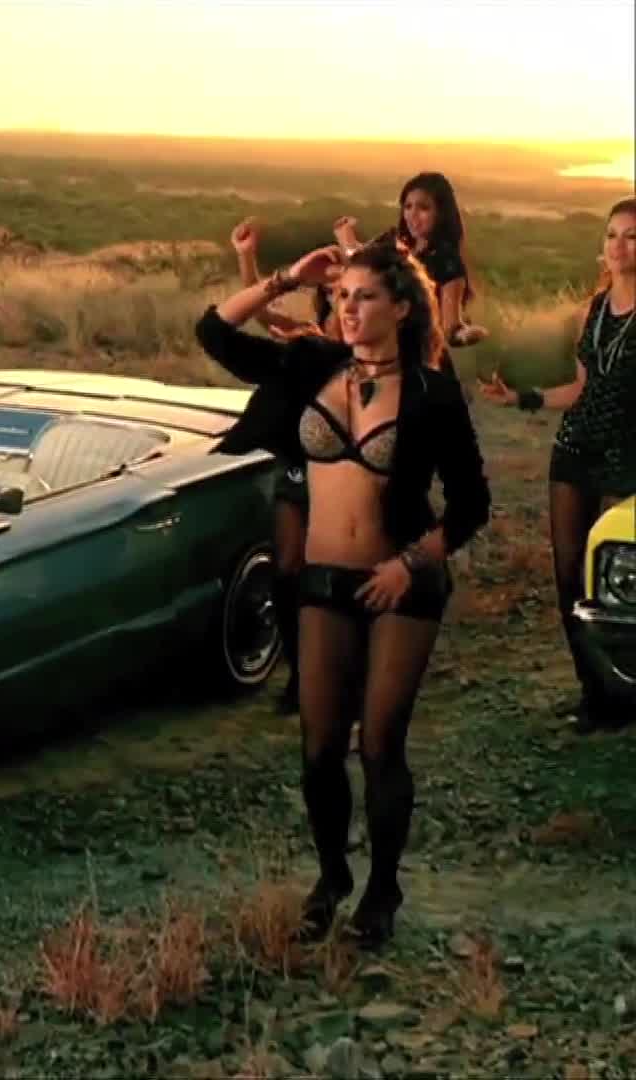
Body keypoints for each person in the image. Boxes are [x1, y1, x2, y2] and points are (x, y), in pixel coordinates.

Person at [199, 243, 491, 949]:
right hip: (322, 581)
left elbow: (472, 503)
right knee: (320, 748)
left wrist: (411, 563)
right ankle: (331, 878)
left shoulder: (431, 392)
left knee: (381, 743)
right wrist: (284, 279)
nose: (349, 308)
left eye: (365, 296)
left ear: (402, 308)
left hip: (401, 581)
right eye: (342, 295)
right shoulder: (312, 363)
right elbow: (214, 333)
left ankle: (382, 890)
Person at [478, 198, 636, 732]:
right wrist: (520, 399)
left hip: (626, 458)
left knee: (616, 582)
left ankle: (624, 690)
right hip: (574, 450)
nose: (619, 246)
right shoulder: (594, 310)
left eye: (631, 236)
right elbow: (580, 388)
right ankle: (596, 696)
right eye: (611, 235)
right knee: (570, 579)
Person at [227, 216, 347, 715]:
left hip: (347, 472)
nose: (338, 291)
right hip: (299, 465)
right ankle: (301, 674)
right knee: (288, 569)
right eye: (333, 286)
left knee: (340, 571)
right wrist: (247, 259)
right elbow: (264, 317)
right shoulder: (311, 337)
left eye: (346, 283)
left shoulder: (376, 346)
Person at [336, 171, 488, 352]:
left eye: (423, 208)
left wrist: (466, 334)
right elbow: (360, 262)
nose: (412, 215)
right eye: (408, 206)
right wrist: (346, 237)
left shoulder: (447, 262)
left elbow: (451, 329)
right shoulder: (393, 240)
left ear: (441, 213)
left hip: (412, 354)